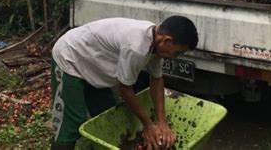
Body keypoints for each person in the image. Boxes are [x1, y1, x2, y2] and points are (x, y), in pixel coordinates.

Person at [51, 16, 198, 150]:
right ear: (166, 40)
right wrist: (148, 125)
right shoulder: (137, 47)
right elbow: (124, 88)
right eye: (177, 52)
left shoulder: (155, 41)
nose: (175, 57)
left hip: (93, 64)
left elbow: (157, 79)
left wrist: (162, 122)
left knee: (106, 113)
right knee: (72, 120)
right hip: (70, 58)